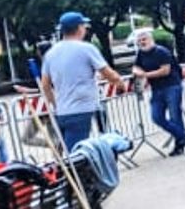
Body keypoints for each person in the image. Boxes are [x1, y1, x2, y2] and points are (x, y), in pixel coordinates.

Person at [37, 12, 122, 149]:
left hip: (62, 112)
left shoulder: (50, 53)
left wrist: (56, 104)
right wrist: (120, 83)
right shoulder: (86, 48)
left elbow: (45, 85)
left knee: (68, 150)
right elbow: (109, 74)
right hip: (82, 109)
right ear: (79, 28)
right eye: (84, 26)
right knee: (77, 154)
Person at [128, 27, 185, 156]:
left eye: (144, 39)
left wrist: (145, 75)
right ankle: (183, 136)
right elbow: (136, 67)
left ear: (151, 39)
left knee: (175, 116)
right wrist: (137, 72)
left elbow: (165, 70)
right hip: (157, 89)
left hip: (172, 86)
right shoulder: (141, 54)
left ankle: (180, 144)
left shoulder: (162, 52)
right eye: (139, 41)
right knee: (157, 117)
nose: (142, 42)